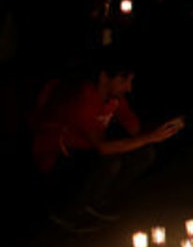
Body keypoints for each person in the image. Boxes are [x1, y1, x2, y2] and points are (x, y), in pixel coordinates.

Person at [32, 58, 183, 231]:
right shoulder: (84, 97)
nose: (128, 88)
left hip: (85, 152)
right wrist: (150, 137)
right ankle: (69, 211)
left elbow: (136, 130)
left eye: (130, 81)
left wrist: (164, 129)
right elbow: (102, 147)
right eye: (123, 80)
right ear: (104, 77)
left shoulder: (114, 97)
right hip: (57, 160)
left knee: (145, 153)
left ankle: (98, 203)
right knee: (112, 162)